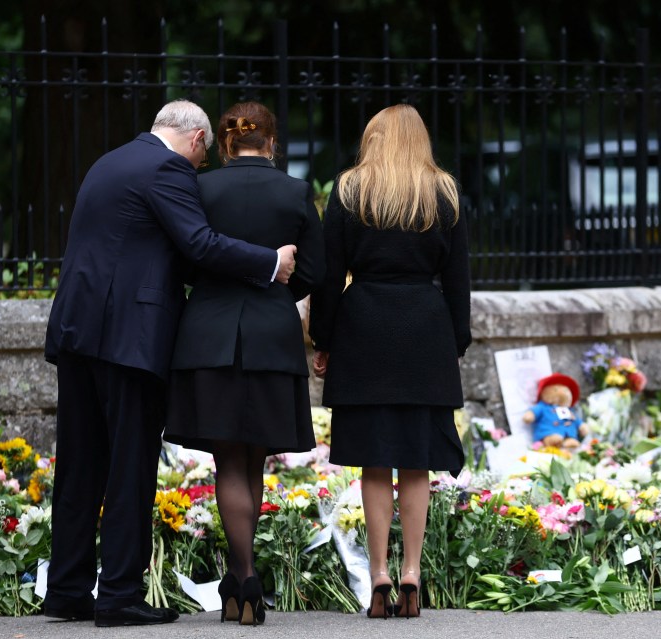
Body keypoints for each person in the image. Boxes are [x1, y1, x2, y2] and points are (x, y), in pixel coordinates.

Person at [43, 99, 297, 627]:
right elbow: (198, 244)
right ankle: (118, 595)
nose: (199, 170)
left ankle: (68, 588)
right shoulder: (168, 168)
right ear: (199, 140)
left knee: (80, 464)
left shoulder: (110, 161)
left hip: (77, 329)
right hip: (128, 338)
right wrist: (270, 261)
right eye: (202, 160)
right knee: (129, 464)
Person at [162, 101, 324, 626]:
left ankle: (243, 575)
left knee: (228, 460)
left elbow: (184, 259)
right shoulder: (296, 192)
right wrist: (278, 288)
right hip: (272, 335)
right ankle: (244, 578)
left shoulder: (200, 188)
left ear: (226, 144)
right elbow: (314, 273)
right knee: (253, 457)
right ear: (272, 143)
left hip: (209, 332)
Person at [309, 104, 471, 619]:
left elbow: (330, 276)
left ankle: (378, 572)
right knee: (416, 461)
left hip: (364, 331)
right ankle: (411, 572)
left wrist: (324, 339)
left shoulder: (350, 190)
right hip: (425, 330)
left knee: (374, 461)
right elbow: (459, 280)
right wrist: (455, 341)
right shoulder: (442, 192)